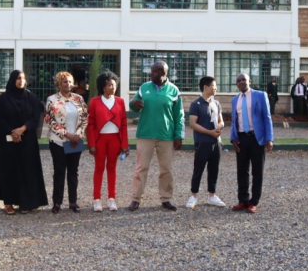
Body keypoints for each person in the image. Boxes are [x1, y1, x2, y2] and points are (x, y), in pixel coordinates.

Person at [128, 61, 184, 212]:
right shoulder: (144, 88)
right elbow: (133, 105)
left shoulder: (174, 90)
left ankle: (166, 199)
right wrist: (134, 104)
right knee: (141, 168)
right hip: (145, 135)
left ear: (163, 73)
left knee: (166, 169)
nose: (151, 74)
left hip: (166, 136)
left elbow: (179, 116)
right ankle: (135, 199)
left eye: (154, 72)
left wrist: (179, 136)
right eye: (151, 71)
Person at [0, 70, 48, 215]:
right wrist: (12, 131)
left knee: (26, 170)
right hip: (6, 141)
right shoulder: (3, 98)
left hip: (27, 140)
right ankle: (8, 203)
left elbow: (36, 116)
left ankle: (25, 202)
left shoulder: (32, 98)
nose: (20, 81)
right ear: (12, 80)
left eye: (23, 78)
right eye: (17, 78)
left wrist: (22, 129)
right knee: (8, 170)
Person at [45, 71, 88, 214]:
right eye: (65, 82)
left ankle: (73, 202)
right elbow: (50, 121)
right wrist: (67, 134)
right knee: (59, 171)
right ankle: (57, 202)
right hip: (58, 141)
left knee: (73, 171)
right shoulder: (52, 100)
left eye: (70, 82)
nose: (68, 84)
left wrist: (77, 135)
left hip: (75, 141)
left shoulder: (79, 99)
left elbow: (85, 119)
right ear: (59, 83)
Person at [230, 73, 273, 214]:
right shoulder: (234, 100)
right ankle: (243, 200)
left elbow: (267, 118)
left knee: (257, 171)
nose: (241, 82)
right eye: (238, 81)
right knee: (242, 171)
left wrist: (269, 138)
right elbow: (234, 121)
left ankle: (254, 202)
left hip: (257, 138)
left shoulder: (260, 95)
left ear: (250, 81)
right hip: (241, 139)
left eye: (244, 80)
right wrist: (233, 138)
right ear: (236, 84)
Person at [87, 70, 129, 212]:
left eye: (114, 85)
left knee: (112, 168)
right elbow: (91, 124)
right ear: (103, 87)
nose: (113, 87)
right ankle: (96, 199)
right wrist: (91, 144)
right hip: (100, 139)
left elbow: (123, 124)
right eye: (110, 85)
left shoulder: (120, 101)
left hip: (115, 138)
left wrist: (124, 145)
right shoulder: (94, 102)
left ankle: (112, 198)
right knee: (99, 168)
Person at [186, 76, 226, 209]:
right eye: (214, 86)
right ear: (206, 87)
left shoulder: (217, 103)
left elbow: (221, 120)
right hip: (202, 142)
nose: (216, 88)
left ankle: (212, 195)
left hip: (216, 142)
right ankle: (193, 195)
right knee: (199, 169)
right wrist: (209, 132)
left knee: (214, 169)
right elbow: (193, 124)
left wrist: (220, 126)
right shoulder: (196, 104)